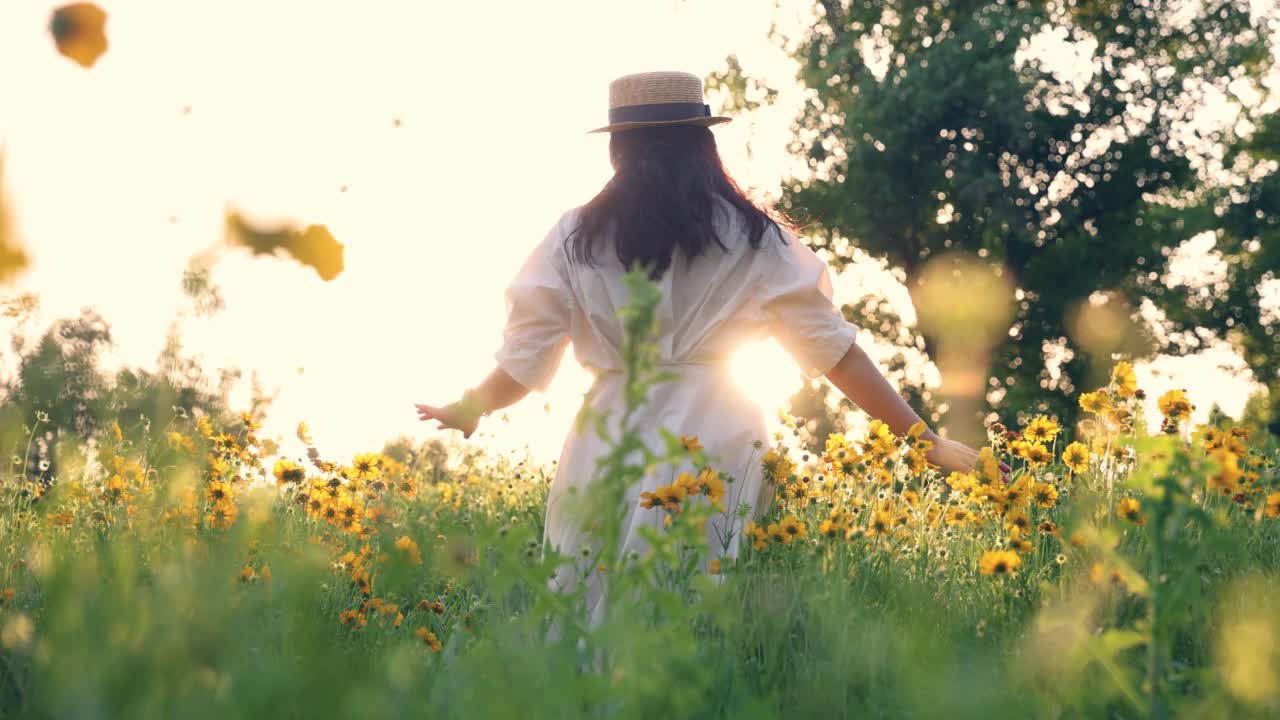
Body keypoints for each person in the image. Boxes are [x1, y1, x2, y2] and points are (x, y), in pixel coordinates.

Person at [415, 70, 991, 622]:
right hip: (719, 435)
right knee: (703, 605)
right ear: (701, 143)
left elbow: (524, 355)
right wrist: (923, 439)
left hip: (607, 439)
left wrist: (472, 407)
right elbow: (834, 351)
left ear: (617, 150)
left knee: (592, 599)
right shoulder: (752, 234)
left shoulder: (575, 236)